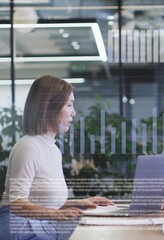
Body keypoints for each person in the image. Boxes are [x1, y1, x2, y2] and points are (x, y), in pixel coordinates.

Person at [0, 75, 114, 240]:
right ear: (48, 108)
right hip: (18, 225)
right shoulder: (29, 147)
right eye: (69, 105)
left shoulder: (52, 149)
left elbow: (43, 204)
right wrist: (56, 215)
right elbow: (17, 204)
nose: (73, 112)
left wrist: (82, 202)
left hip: (37, 223)